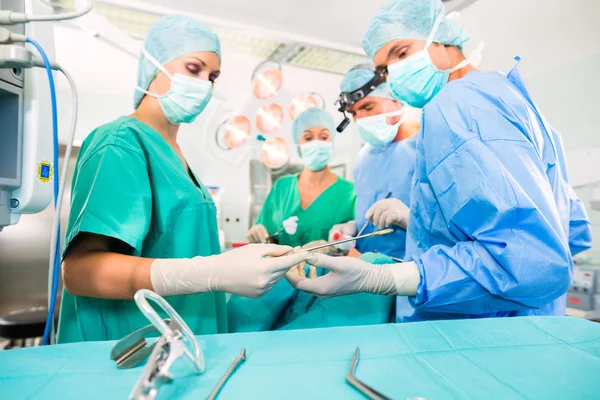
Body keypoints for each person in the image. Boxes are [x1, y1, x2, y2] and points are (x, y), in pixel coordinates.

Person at [287, 0, 592, 322]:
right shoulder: (505, 97)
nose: (396, 71)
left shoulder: (460, 104)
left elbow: (527, 260)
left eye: (402, 53)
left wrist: (387, 277)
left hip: (483, 325)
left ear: (443, 37)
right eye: (386, 68)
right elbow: (573, 230)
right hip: (526, 319)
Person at [57, 15, 306, 343]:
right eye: (194, 68)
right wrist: (213, 272)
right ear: (154, 65)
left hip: (183, 341)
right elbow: (80, 273)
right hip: (131, 349)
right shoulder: (120, 142)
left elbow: (182, 249)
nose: (205, 83)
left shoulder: (175, 154)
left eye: (213, 76)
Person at [228, 108, 357, 332]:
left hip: (325, 289)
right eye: (308, 137)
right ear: (298, 143)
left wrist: (335, 248)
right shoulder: (282, 187)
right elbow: (266, 243)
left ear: (332, 142)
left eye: (324, 136)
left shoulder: (348, 192)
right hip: (279, 284)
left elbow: (354, 247)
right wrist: (259, 234)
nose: (316, 142)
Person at [329, 64, 420, 260]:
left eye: (368, 107)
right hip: (367, 273)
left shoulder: (428, 149)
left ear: (396, 98)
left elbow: (457, 228)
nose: (360, 119)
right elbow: (369, 213)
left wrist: (410, 220)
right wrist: (353, 229)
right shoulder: (364, 159)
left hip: (415, 276)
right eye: (353, 113)